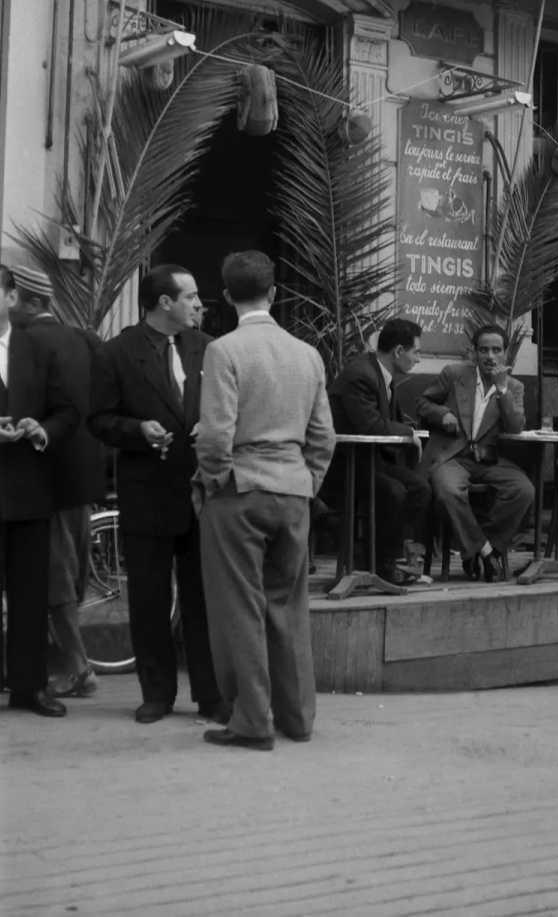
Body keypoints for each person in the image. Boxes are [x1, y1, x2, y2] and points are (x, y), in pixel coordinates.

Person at [195, 250, 336, 750]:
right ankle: (297, 718)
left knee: (240, 608)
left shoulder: (224, 351)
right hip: (293, 490)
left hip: (240, 491)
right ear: (274, 293)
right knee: (288, 606)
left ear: (227, 296)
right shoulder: (307, 354)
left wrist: (213, 480)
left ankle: (252, 721)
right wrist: (308, 481)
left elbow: (215, 437)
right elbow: (324, 437)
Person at [89, 263, 227, 725]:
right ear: (164, 302)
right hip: (146, 491)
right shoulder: (117, 353)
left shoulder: (207, 349)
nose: (197, 304)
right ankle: (157, 694)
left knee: (202, 600)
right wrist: (136, 430)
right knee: (148, 598)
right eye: (189, 297)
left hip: (200, 491)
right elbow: (99, 419)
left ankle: (210, 695)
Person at [11, 266, 106, 699]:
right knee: (69, 572)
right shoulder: (82, 339)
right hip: (82, 476)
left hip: (42, 476)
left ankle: (77, 666)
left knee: (54, 576)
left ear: (29, 302)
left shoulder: (26, 342)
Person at [0, 265, 77, 718]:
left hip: (29, 488)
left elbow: (67, 409)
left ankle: (30, 687)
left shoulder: (36, 348)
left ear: (10, 298)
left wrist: (41, 429)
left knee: (30, 593)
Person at [415, 324, 534, 583]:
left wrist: (502, 390)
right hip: (452, 456)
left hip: (488, 459)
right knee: (448, 491)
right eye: (484, 350)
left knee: (523, 490)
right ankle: (487, 552)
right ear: (474, 353)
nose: (490, 356)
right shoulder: (453, 374)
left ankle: (479, 548)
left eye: (496, 350)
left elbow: (515, 426)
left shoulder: (514, 387)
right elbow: (423, 403)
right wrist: (442, 413)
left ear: (506, 353)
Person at [323, 317, 430, 581]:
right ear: (398, 352)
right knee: (392, 492)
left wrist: (409, 432)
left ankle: (388, 553)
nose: (418, 359)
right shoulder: (361, 374)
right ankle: (382, 565)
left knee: (420, 487)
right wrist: (408, 434)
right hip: (343, 465)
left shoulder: (382, 373)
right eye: (416, 352)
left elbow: (387, 421)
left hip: (369, 461)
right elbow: (371, 425)